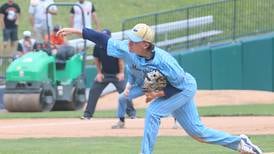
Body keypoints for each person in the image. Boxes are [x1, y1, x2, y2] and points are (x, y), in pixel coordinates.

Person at [57, 24, 263, 154]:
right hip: (168, 87)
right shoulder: (129, 49)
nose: (129, 42)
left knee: (154, 111)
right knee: (198, 133)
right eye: (129, 38)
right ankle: (239, 143)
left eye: (134, 40)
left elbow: (174, 86)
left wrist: (153, 92)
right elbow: (102, 39)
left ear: (145, 44)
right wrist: (75, 31)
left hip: (183, 88)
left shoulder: (166, 62)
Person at [81, 29, 136, 120]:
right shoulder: (98, 46)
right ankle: (87, 115)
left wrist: (121, 73)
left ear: (109, 37)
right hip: (104, 74)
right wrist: (99, 73)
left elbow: (120, 59)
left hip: (117, 74)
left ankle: (132, 113)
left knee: (125, 92)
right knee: (94, 91)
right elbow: (96, 60)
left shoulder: (113, 45)